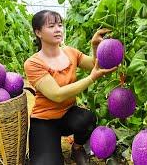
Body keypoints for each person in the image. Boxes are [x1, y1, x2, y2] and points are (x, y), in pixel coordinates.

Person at [24, 10, 117, 165]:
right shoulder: (33, 63)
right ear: (38, 32)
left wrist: (95, 46)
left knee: (87, 119)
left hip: (67, 115)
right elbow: (57, 95)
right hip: (44, 120)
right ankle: (45, 146)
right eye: (51, 26)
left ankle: (77, 148)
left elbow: (94, 65)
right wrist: (92, 78)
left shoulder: (70, 52)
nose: (58, 29)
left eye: (60, 25)